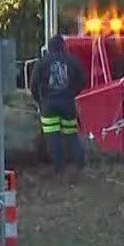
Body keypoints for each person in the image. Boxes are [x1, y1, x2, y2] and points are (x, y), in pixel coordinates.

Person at [32, 32, 87, 173]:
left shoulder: (42, 62)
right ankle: (80, 165)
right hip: (67, 103)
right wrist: (73, 92)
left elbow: (34, 84)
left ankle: (59, 169)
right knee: (72, 135)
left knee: (53, 137)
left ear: (49, 47)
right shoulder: (72, 61)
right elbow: (83, 78)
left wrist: (40, 101)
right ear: (63, 47)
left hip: (49, 105)